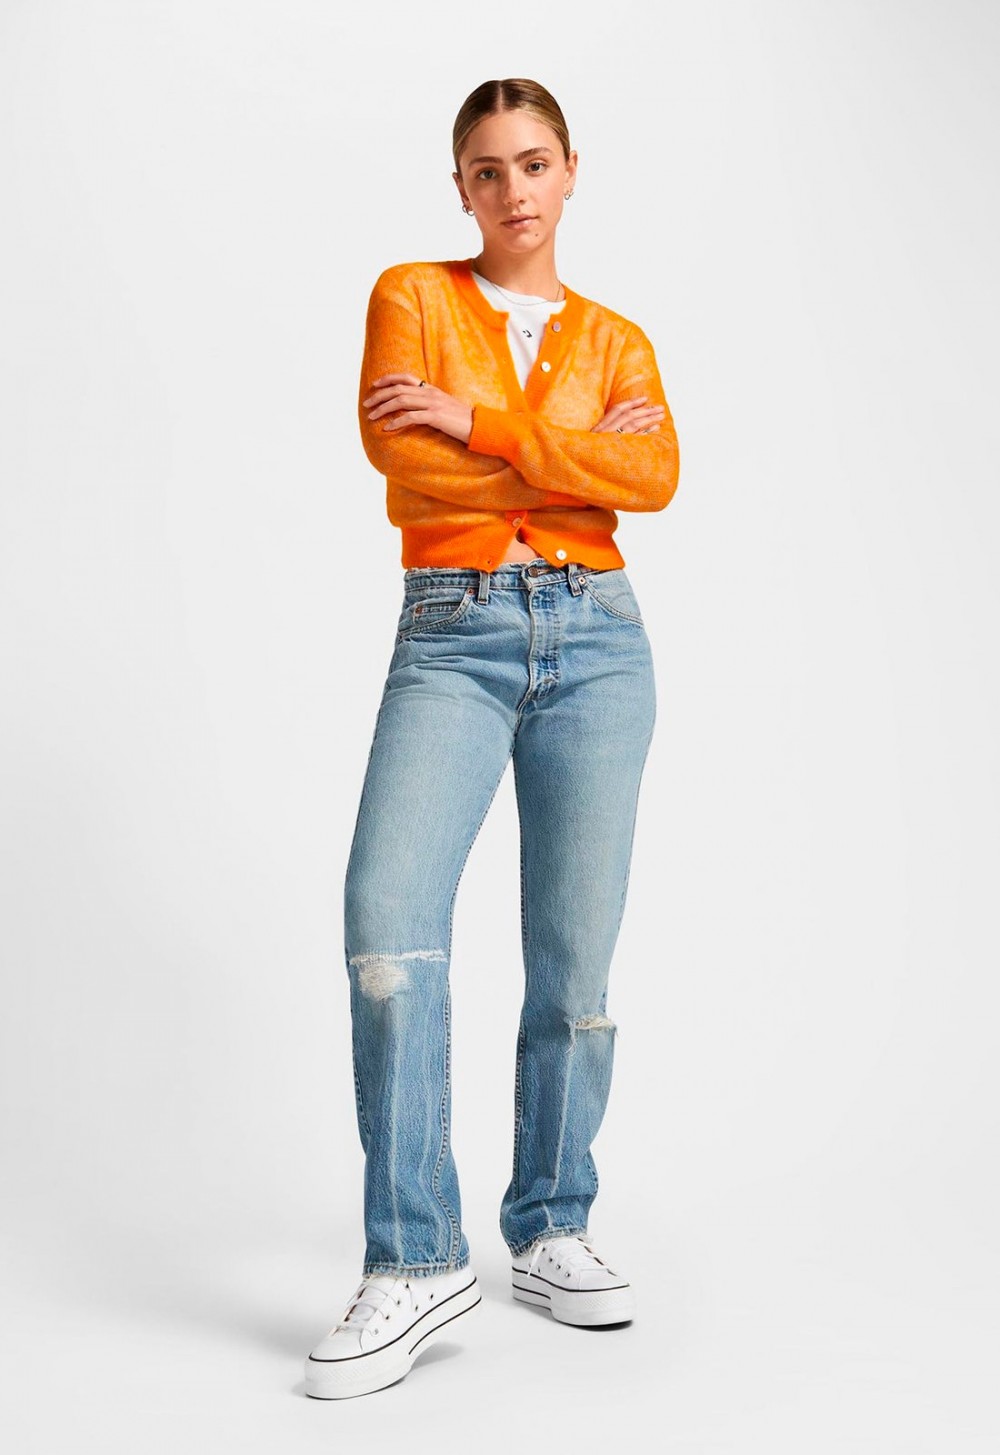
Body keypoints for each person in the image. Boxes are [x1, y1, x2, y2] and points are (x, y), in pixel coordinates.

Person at [304, 77, 680, 1401]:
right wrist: (568, 455)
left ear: (571, 171)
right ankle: (415, 1258)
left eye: (532, 163)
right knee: (389, 920)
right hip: (453, 630)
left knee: (575, 955)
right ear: (460, 187)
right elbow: (400, 459)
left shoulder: (619, 339)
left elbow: (655, 478)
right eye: (485, 170)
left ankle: (551, 1224)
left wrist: (478, 420)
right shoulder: (412, 295)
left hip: (600, 640)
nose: (512, 190)